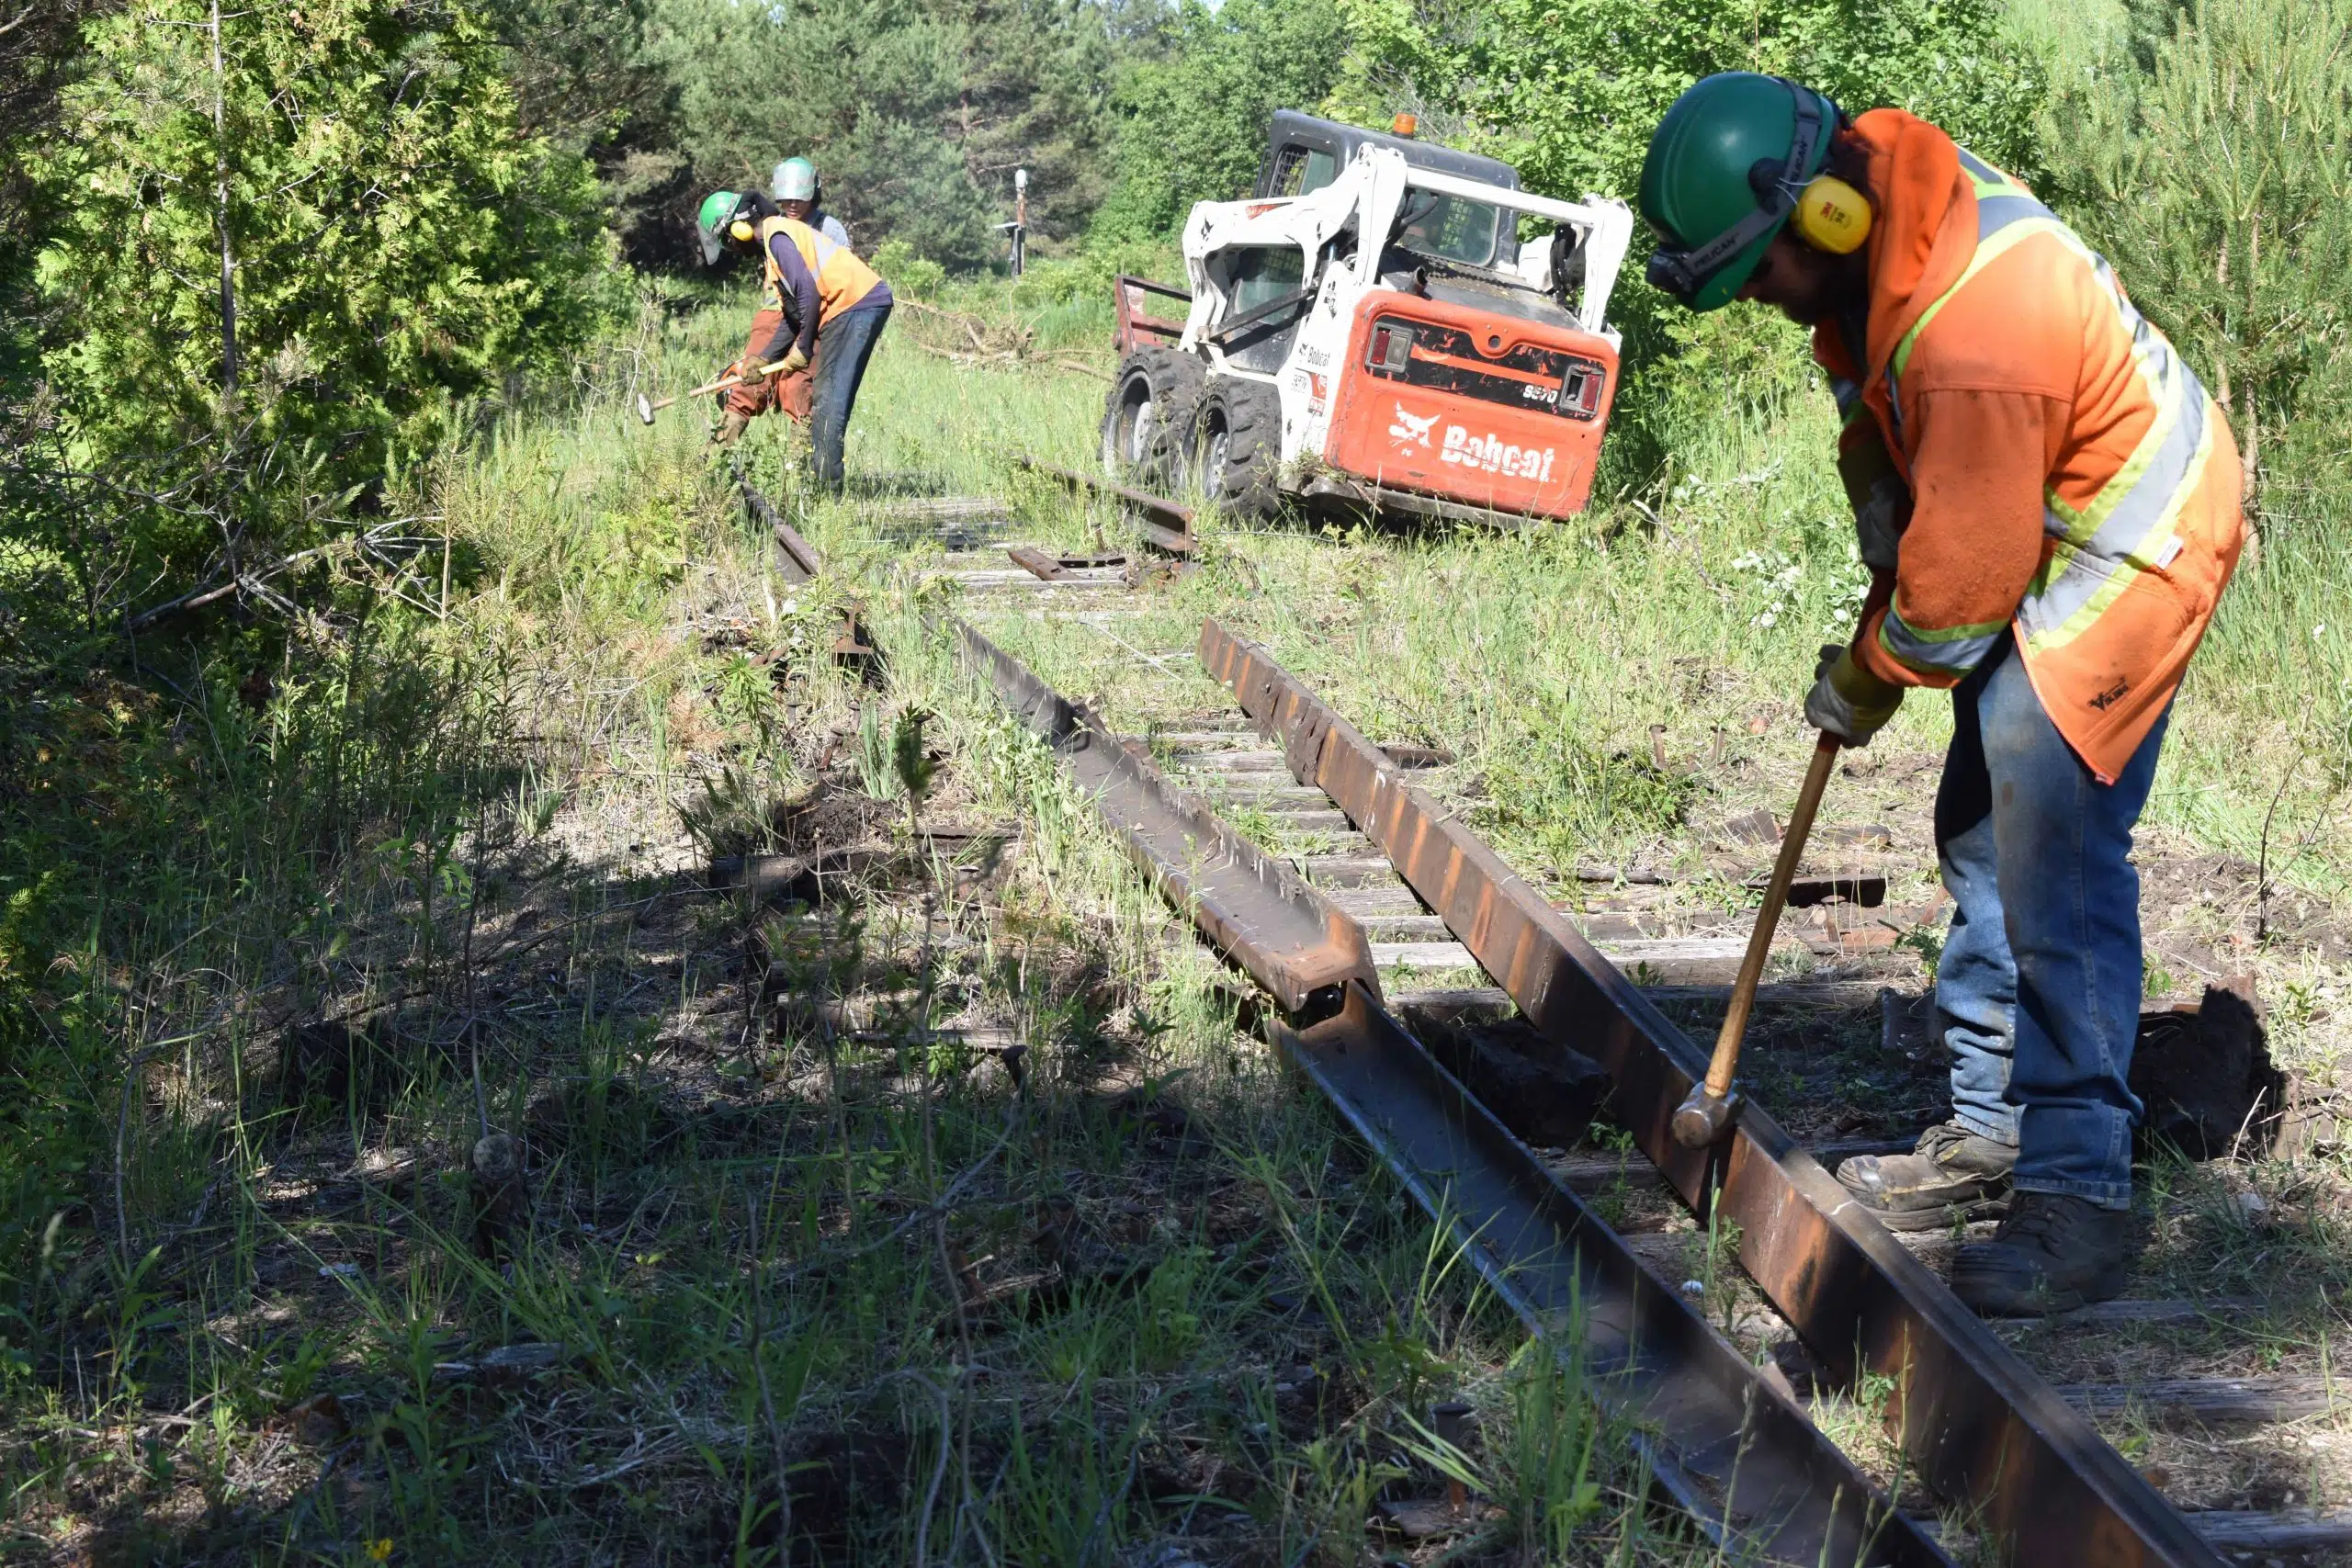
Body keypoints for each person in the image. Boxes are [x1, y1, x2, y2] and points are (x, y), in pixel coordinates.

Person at [1636, 74, 2244, 1315]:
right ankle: (1991, 1125)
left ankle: (2079, 1191)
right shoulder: (1882, 232)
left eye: (1758, 275)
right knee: (1975, 819)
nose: (1759, 299)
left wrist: (1869, 669)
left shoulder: (1978, 319)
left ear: (1825, 218)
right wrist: (1879, 511)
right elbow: (1874, 395)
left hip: (2135, 534)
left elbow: (1958, 597)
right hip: (2037, 503)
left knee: (2051, 841)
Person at [696, 189, 894, 491]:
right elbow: (793, 316)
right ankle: (820, 490)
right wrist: (764, 358)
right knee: (825, 399)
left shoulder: (777, 235)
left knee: (828, 402)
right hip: (849, 307)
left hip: (856, 305)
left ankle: (828, 496)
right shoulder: (774, 252)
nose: (732, 248)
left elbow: (809, 294)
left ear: (738, 227)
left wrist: (802, 348)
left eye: (727, 240)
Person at [772, 157, 850, 248]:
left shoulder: (830, 229)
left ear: (812, 197)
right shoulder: (775, 226)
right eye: (788, 199)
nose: (793, 205)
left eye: (800, 199)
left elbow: (846, 261)